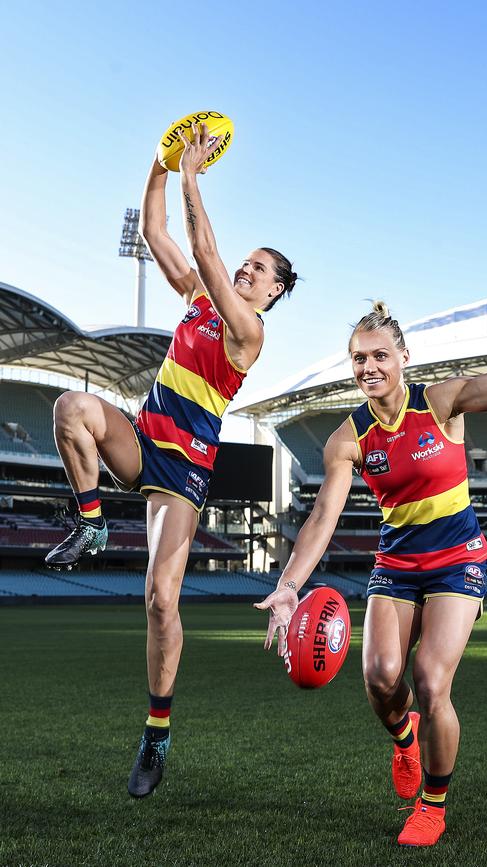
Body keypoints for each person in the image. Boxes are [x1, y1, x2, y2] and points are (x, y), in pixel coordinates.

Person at [256, 239, 487, 847]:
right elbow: (322, 517)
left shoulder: (443, 403)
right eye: (357, 358)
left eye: (379, 355)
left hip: (456, 562)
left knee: (429, 679)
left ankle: (432, 803)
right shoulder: (348, 439)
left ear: (403, 357)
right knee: (379, 678)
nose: (368, 367)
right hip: (396, 567)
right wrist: (288, 585)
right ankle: (404, 742)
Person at [45, 123, 298, 798]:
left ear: (272, 293)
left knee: (161, 600)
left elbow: (204, 251)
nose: (246, 269)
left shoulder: (249, 331)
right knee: (71, 407)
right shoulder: (199, 300)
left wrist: (192, 174)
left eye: (259, 270)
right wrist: (159, 166)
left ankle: (156, 733)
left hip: (184, 468)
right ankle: (92, 519)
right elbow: (159, 234)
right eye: (248, 263)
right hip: (141, 437)